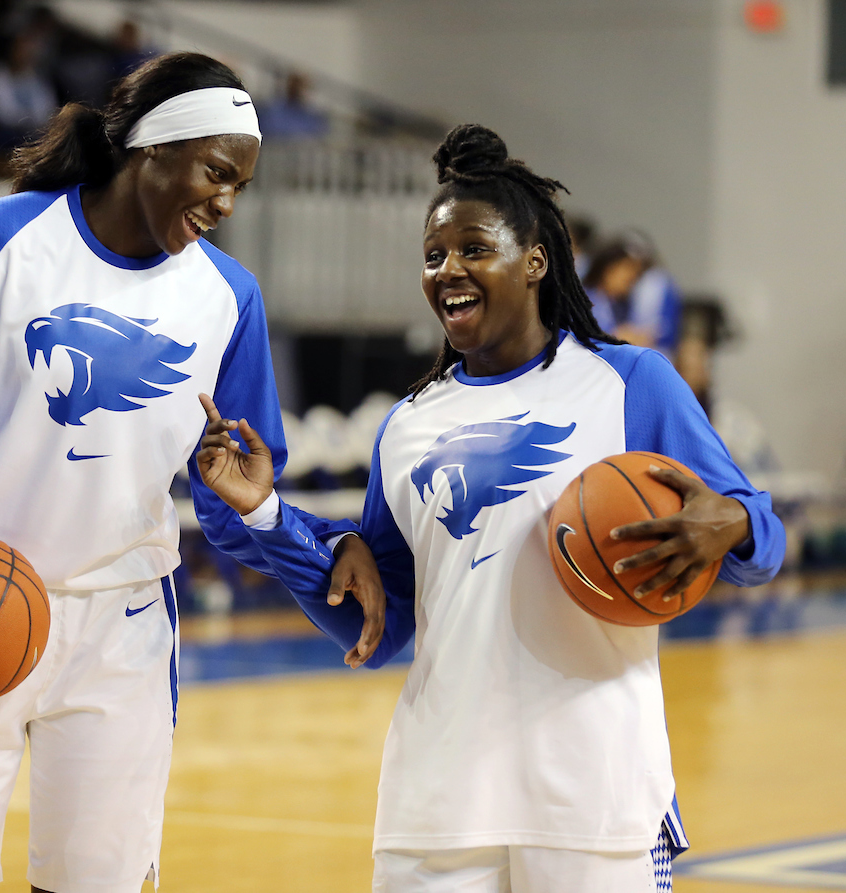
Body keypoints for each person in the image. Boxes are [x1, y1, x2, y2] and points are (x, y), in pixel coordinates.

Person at [194, 124, 786, 892]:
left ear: (536, 260)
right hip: (437, 803)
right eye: (433, 255)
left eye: (474, 248)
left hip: (593, 795)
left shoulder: (632, 384)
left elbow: (757, 534)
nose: (448, 270)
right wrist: (269, 515)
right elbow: (377, 622)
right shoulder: (408, 424)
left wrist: (734, 523)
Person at [0, 52, 383, 893]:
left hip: (121, 625)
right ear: (154, 147)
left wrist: (315, 546)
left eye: (240, 185)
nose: (227, 202)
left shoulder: (229, 298)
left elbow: (235, 505)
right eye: (216, 173)